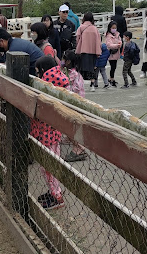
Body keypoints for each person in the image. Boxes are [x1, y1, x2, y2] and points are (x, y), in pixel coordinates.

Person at [32, 55, 68, 209]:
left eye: (37, 72)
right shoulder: (56, 84)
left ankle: (57, 197)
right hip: (52, 132)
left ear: (43, 71)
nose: (36, 75)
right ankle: (54, 191)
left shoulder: (46, 86)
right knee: (51, 163)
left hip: (45, 132)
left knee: (48, 166)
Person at [62, 49, 88, 162]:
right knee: (70, 123)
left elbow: (67, 87)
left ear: (67, 61)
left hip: (73, 104)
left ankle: (79, 149)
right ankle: (69, 138)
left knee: (72, 125)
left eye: (63, 59)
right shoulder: (74, 72)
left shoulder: (70, 75)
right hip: (76, 102)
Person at [75, 12, 102, 91]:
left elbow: (77, 39)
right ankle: (92, 85)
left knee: (81, 68)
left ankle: (80, 85)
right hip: (93, 51)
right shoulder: (94, 28)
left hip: (83, 50)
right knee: (92, 68)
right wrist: (98, 51)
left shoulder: (81, 27)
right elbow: (98, 40)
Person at [105, 21, 122, 87]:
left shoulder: (117, 34)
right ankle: (111, 79)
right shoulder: (108, 36)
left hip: (116, 53)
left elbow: (120, 40)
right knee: (113, 66)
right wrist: (117, 45)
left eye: (115, 28)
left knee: (114, 67)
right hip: (111, 53)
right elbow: (109, 45)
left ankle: (111, 78)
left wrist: (120, 43)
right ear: (110, 28)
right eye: (113, 28)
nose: (114, 29)